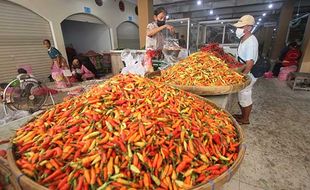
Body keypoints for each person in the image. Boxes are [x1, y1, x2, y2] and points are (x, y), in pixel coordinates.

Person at [233, 15, 259, 125]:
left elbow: (250, 63)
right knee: (241, 95)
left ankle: (245, 119)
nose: (238, 30)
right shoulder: (244, 39)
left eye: (241, 27)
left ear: (248, 27)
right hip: (243, 70)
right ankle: (242, 115)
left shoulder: (251, 42)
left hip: (249, 72)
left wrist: (243, 76)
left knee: (245, 95)